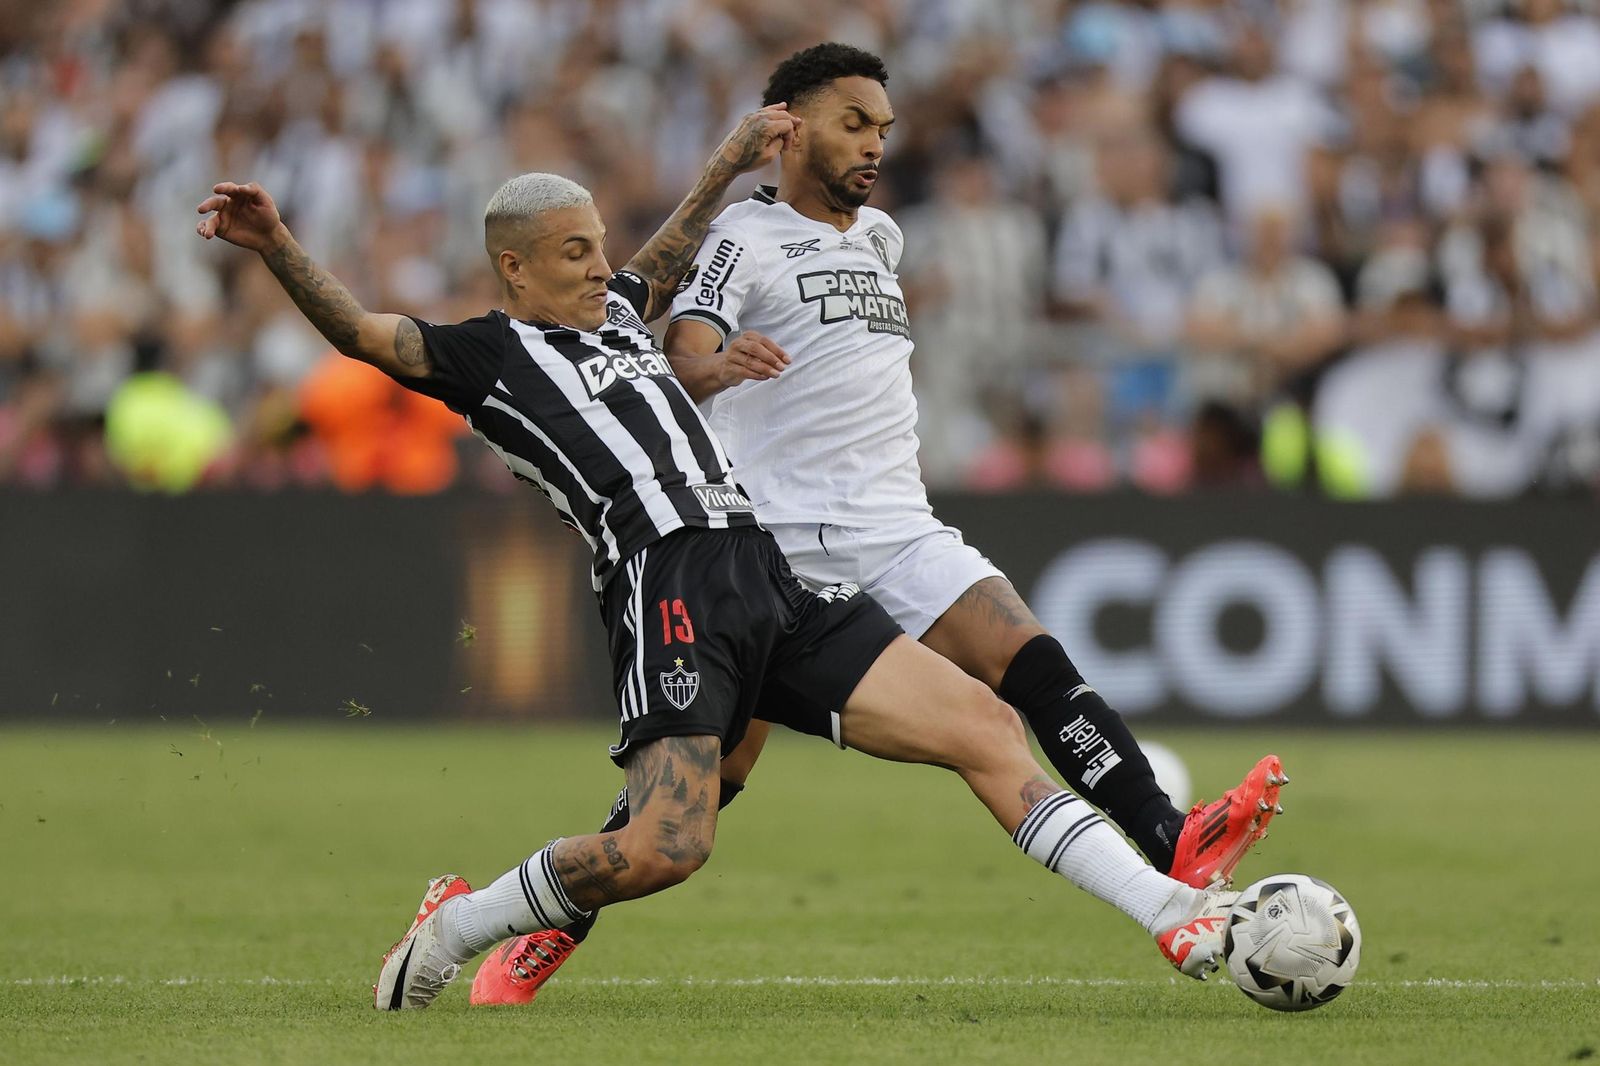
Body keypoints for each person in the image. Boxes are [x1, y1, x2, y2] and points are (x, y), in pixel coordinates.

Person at [196, 105, 1242, 1012]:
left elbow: (668, 245)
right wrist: (277, 242)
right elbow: (364, 334)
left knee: (985, 724)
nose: (600, 266)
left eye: (598, 245)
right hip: (666, 584)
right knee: (666, 846)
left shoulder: (617, 312)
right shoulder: (487, 357)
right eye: (573, 251)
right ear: (513, 266)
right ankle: (457, 923)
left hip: (763, 567)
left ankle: (1171, 914)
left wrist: (731, 161)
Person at [472, 44, 1285, 1007]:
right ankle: (546, 927)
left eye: (883, 130)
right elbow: (672, 363)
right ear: (791, 128)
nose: (873, 145)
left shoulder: (884, 238)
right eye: (853, 123)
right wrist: (719, 366)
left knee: (1027, 657)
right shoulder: (743, 237)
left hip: (897, 520)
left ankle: (1170, 837)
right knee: (710, 777)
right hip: (775, 535)